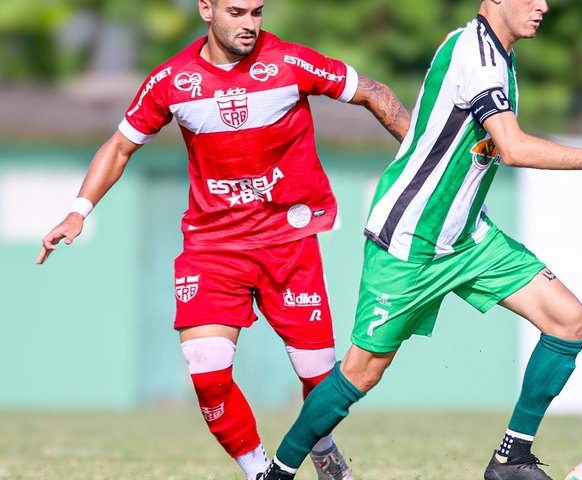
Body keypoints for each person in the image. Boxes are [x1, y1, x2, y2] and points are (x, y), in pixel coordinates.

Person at [260, 0, 582, 479]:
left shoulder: (499, 53)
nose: (543, 7)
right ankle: (280, 472)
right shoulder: (476, 55)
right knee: (361, 372)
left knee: (568, 320)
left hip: (468, 238)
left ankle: (511, 459)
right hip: (409, 241)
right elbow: (514, 149)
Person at [36, 1, 409, 479]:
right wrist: (78, 210)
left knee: (321, 382)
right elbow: (121, 145)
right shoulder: (171, 81)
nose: (251, 24)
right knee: (208, 374)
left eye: (257, 11)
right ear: (206, 9)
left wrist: (429, 162)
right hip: (213, 246)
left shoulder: (291, 62)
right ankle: (259, 472)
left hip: (287, 242)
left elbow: (375, 92)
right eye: (237, 11)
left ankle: (324, 449)